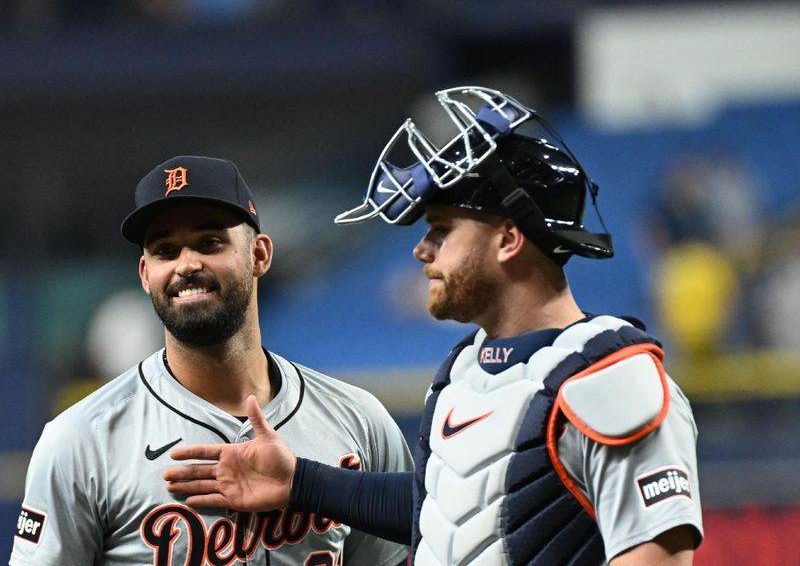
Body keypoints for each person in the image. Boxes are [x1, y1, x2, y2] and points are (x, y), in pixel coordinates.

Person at [163, 88, 704, 565]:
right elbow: (453, 511)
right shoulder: (465, 371)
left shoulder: (611, 378)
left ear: (508, 239)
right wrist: (301, 482)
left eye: (442, 230)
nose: (422, 250)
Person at [10, 156, 413, 565]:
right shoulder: (82, 438)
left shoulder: (359, 420)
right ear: (146, 273)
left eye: (209, 242)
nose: (186, 264)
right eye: (165, 250)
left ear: (259, 254)